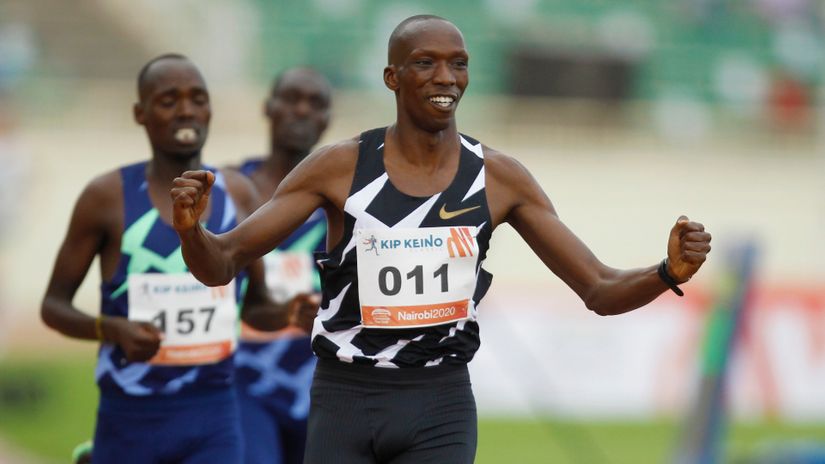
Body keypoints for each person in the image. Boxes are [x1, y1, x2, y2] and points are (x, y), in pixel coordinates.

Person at [171, 15, 712, 464]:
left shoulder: (499, 178)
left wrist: (665, 274)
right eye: (425, 63)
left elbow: (598, 288)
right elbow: (222, 262)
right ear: (392, 77)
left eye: (459, 64)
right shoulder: (338, 168)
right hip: (345, 398)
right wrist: (191, 229)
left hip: (439, 401)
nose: (445, 77)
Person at [41, 54, 287, 464]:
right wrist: (111, 328)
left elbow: (257, 305)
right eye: (169, 100)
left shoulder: (239, 194)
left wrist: (289, 314)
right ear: (141, 113)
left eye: (198, 98)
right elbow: (53, 306)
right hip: (130, 416)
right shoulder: (106, 198)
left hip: (214, 414)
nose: (187, 109)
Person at [231, 67, 331, 464]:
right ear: (267, 108)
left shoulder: (347, 205)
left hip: (322, 387)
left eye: (316, 103)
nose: (302, 110)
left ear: (327, 120)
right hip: (244, 382)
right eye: (291, 98)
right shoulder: (228, 191)